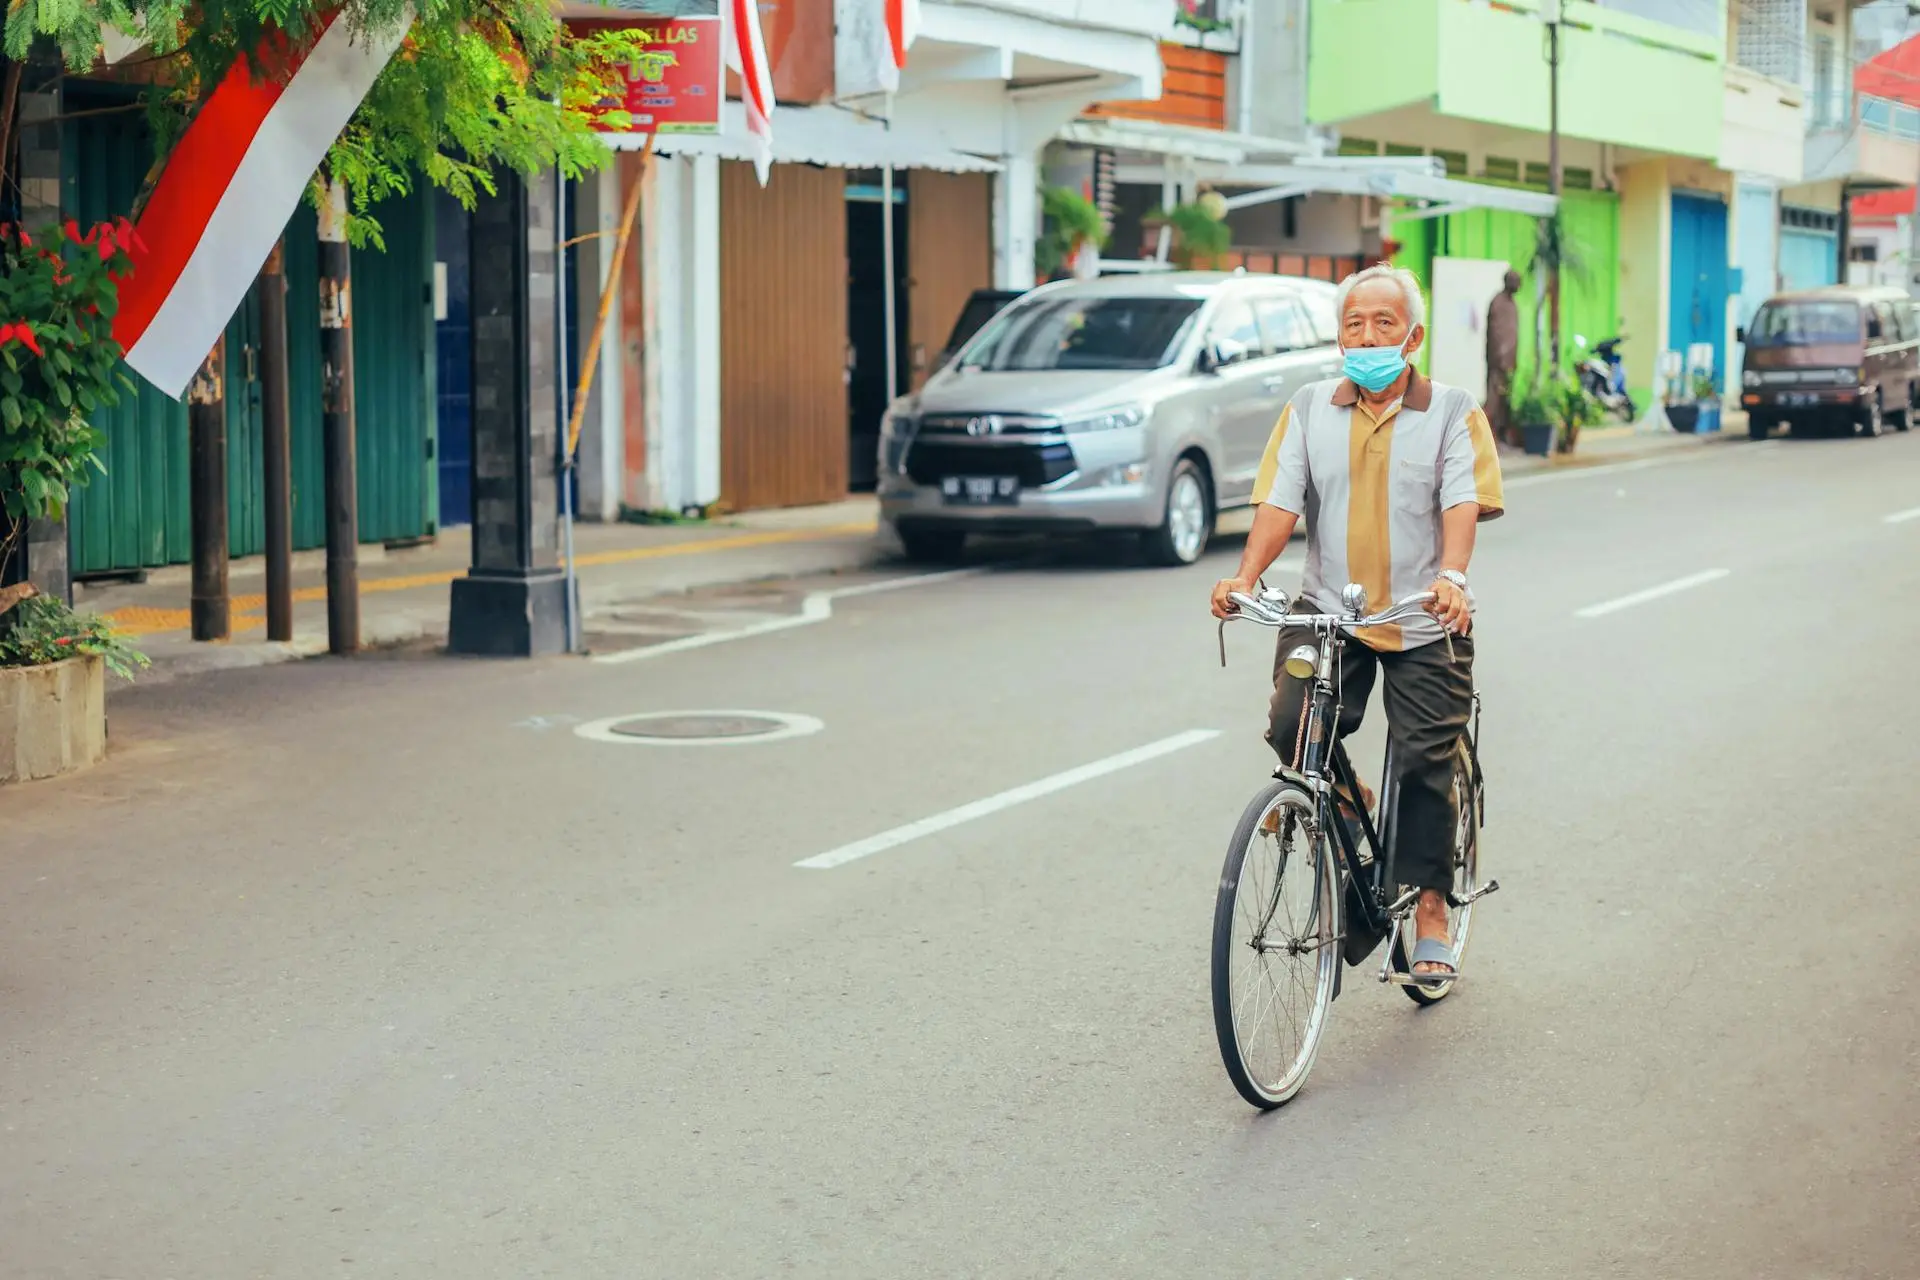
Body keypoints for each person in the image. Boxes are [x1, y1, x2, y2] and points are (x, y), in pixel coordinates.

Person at [1209, 263, 1504, 981]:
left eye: (1382, 322)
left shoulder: (1453, 410)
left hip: (1420, 616)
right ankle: (1348, 799)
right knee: (1291, 728)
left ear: (1413, 336)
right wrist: (1245, 578)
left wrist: (1452, 577)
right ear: (1339, 335)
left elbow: (1460, 504)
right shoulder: (1310, 407)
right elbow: (1280, 504)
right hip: (1327, 610)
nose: (1366, 335)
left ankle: (1431, 906)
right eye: (1353, 323)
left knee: (1423, 763)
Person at [1484, 270, 1522, 447]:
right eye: (1516, 281)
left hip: (1509, 361)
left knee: (1505, 401)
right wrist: (1500, 358)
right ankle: (1487, 436)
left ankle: (1502, 435)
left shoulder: (1512, 304)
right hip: (1498, 361)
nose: (1519, 284)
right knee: (1494, 399)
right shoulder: (1498, 302)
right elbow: (1496, 334)